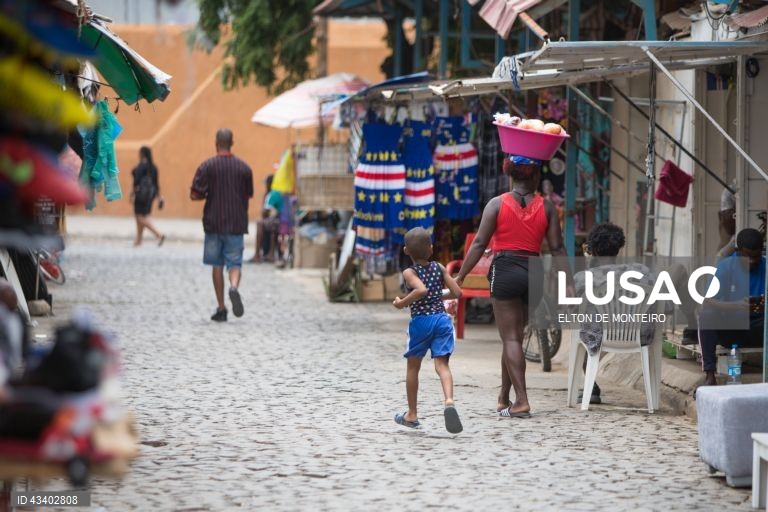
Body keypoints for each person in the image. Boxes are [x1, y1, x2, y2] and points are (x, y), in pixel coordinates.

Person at [454, 155, 572, 418]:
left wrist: (460, 276)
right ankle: (503, 397)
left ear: (511, 175)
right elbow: (557, 248)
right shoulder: (548, 207)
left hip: (506, 269)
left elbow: (478, 244)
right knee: (514, 338)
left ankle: (521, 401)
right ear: (534, 176)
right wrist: (569, 284)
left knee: (510, 338)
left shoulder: (496, 204)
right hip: (534, 271)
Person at [393, 227, 464, 434]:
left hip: (421, 323)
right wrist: (436, 296)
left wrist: (402, 303)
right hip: (442, 321)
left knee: (413, 367)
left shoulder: (409, 272)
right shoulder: (439, 267)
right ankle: (449, 401)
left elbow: (421, 290)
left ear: (406, 251)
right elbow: (456, 292)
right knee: (442, 365)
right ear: (431, 249)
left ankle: (412, 414)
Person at [190, 129, 254, 322]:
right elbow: (248, 195)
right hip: (236, 222)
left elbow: (194, 194)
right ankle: (234, 287)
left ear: (216, 143)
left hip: (213, 222)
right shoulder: (244, 168)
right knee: (235, 263)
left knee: (216, 264)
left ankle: (221, 307)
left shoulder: (207, 166)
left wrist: (208, 193)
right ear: (232, 143)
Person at [698, 228, 766, 386]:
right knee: (706, 315)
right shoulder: (725, 266)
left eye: (755, 257)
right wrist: (736, 306)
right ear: (737, 251)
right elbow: (708, 301)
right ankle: (709, 375)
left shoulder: (766, 265)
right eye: (746, 257)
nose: (751, 262)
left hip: (761, 327)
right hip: (734, 329)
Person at [131, 146, 165, 247]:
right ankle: (138, 240)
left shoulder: (141, 165)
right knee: (140, 216)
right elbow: (156, 183)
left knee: (140, 217)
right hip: (150, 196)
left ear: (142, 154)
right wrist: (159, 197)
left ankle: (158, 235)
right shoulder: (154, 167)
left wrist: (132, 193)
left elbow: (136, 181)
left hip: (140, 195)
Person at [249, 175, 279, 263]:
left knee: (260, 224)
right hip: (272, 219)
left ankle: (258, 254)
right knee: (261, 223)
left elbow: (266, 211)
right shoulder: (268, 194)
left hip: (275, 220)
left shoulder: (272, 194)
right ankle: (260, 253)